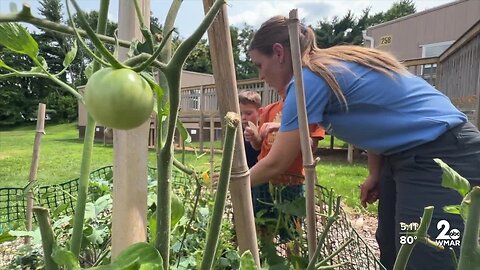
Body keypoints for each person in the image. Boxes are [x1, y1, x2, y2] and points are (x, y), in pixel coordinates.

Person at [247, 15, 480, 270]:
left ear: (279, 53)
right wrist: (374, 172)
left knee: (426, 257)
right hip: (406, 153)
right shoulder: (330, 65)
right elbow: (376, 118)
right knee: (393, 247)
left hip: (444, 153)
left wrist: (232, 183)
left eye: (259, 64)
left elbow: (276, 162)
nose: (261, 75)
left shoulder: (309, 79)